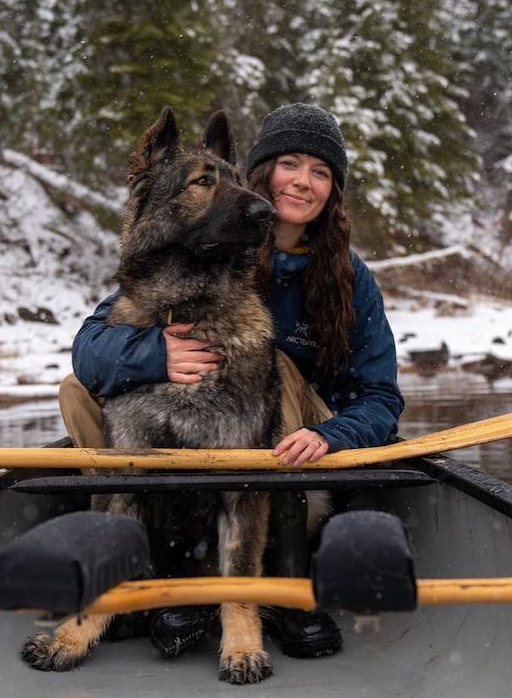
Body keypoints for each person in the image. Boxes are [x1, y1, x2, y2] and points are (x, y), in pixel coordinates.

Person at [59, 103, 404, 659]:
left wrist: (334, 434)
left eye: (321, 172)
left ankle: (284, 591)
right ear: (261, 172)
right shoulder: (198, 246)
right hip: (206, 439)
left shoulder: (346, 274)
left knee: (276, 363)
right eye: (290, 164)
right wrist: (155, 353)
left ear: (332, 191)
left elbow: (382, 396)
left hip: (296, 454)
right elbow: (92, 343)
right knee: (82, 389)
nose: (303, 182)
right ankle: (147, 558)